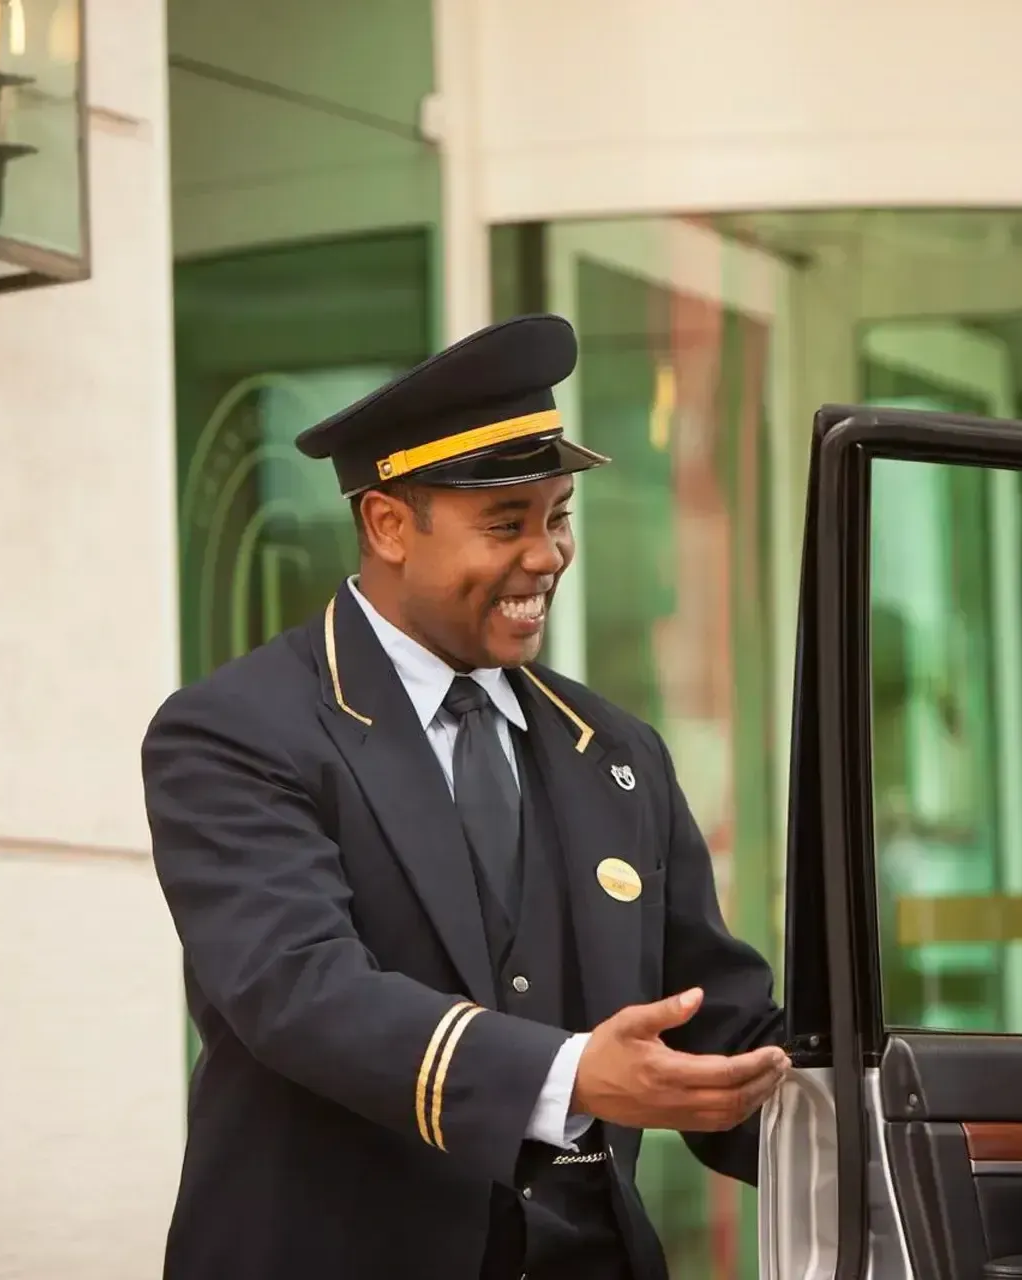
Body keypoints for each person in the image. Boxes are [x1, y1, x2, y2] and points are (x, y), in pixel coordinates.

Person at [141, 313, 790, 1280]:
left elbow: (717, 1028)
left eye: (557, 515)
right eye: (507, 524)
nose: (548, 556)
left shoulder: (617, 751)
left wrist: (913, 1110)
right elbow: (300, 991)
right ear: (389, 524)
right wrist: (569, 1075)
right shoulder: (235, 731)